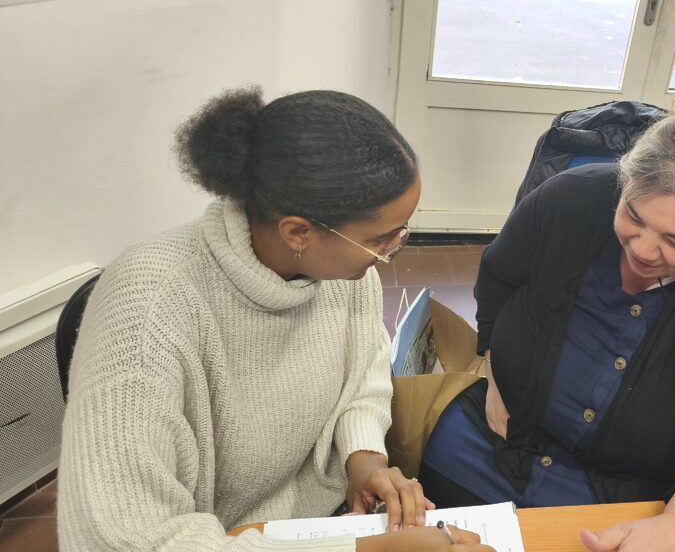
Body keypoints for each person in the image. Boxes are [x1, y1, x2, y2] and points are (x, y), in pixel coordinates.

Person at [58, 87, 493, 552]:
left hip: (325, 523)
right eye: (380, 240)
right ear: (298, 232)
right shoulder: (146, 310)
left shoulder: (343, 269)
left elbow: (364, 376)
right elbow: (117, 539)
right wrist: (365, 551)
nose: (390, 253)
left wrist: (364, 459)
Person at [419, 84, 675, 551]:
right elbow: (499, 276)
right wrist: (492, 366)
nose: (643, 249)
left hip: (626, 491)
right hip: (494, 442)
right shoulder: (570, 198)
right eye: (634, 216)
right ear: (625, 180)